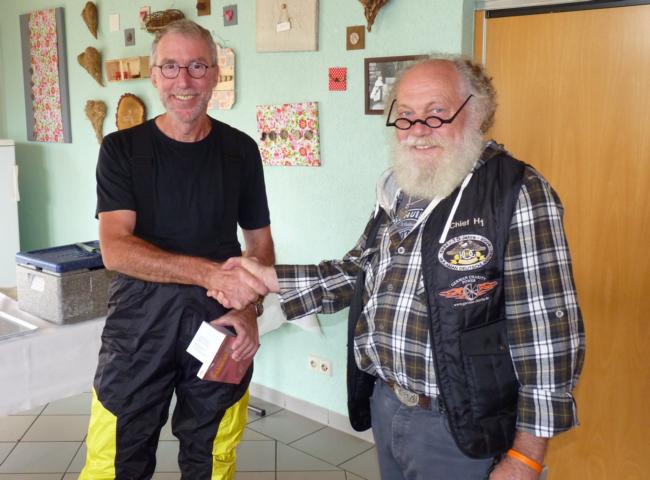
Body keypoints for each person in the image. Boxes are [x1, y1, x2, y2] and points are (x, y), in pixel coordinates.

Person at [220, 55, 585, 480]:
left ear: (478, 113)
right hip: (387, 404)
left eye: (437, 113)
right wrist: (269, 278)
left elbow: (547, 333)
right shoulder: (400, 188)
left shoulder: (517, 193)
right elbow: (358, 272)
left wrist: (526, 457)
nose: (417, 130)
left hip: (462, 425)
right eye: (406, 115)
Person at [79, 20, 274, 480]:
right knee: (116, 459)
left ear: (215, 74)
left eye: (197, 66)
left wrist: (250, 309)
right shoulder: (122, 150)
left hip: (221, 325)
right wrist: (210, 274)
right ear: (154, 74)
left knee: (214, 454)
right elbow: (116, 250)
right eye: (170, 66)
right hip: (138, 329)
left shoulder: (240, 151)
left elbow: (261, 243)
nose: (183, 80)